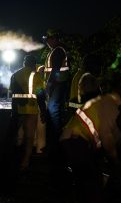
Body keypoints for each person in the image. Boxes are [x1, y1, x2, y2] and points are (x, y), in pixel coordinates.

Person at [60, 82, 121, 203]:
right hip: (76, 142)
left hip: (72, 139)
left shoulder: (104, 101)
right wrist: (115, 157)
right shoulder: (112, 107)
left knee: (86, 181)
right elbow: (107, 135)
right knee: (91, 183)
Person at [9, 54, 47, 172]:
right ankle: (25, 161)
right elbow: (40, 95)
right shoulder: (36, 76)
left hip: (17, 110)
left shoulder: (15, 75)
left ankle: (11, 159)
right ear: (34, 64)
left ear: (24, 63)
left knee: (14, 136)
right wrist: (43, 111)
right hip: (31, 110)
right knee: (29, 137)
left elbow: (11, 93)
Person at [42, 28, 70, 156]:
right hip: (57, 85)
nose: (47, 42)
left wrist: (49, 85)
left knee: (54, 113)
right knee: (53, 113)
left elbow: (55, 70)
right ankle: (53, 144)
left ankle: (57, 145)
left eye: (48, 39)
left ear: (54, 39)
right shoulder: (55, 51)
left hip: (57, 86)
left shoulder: (58, 51)